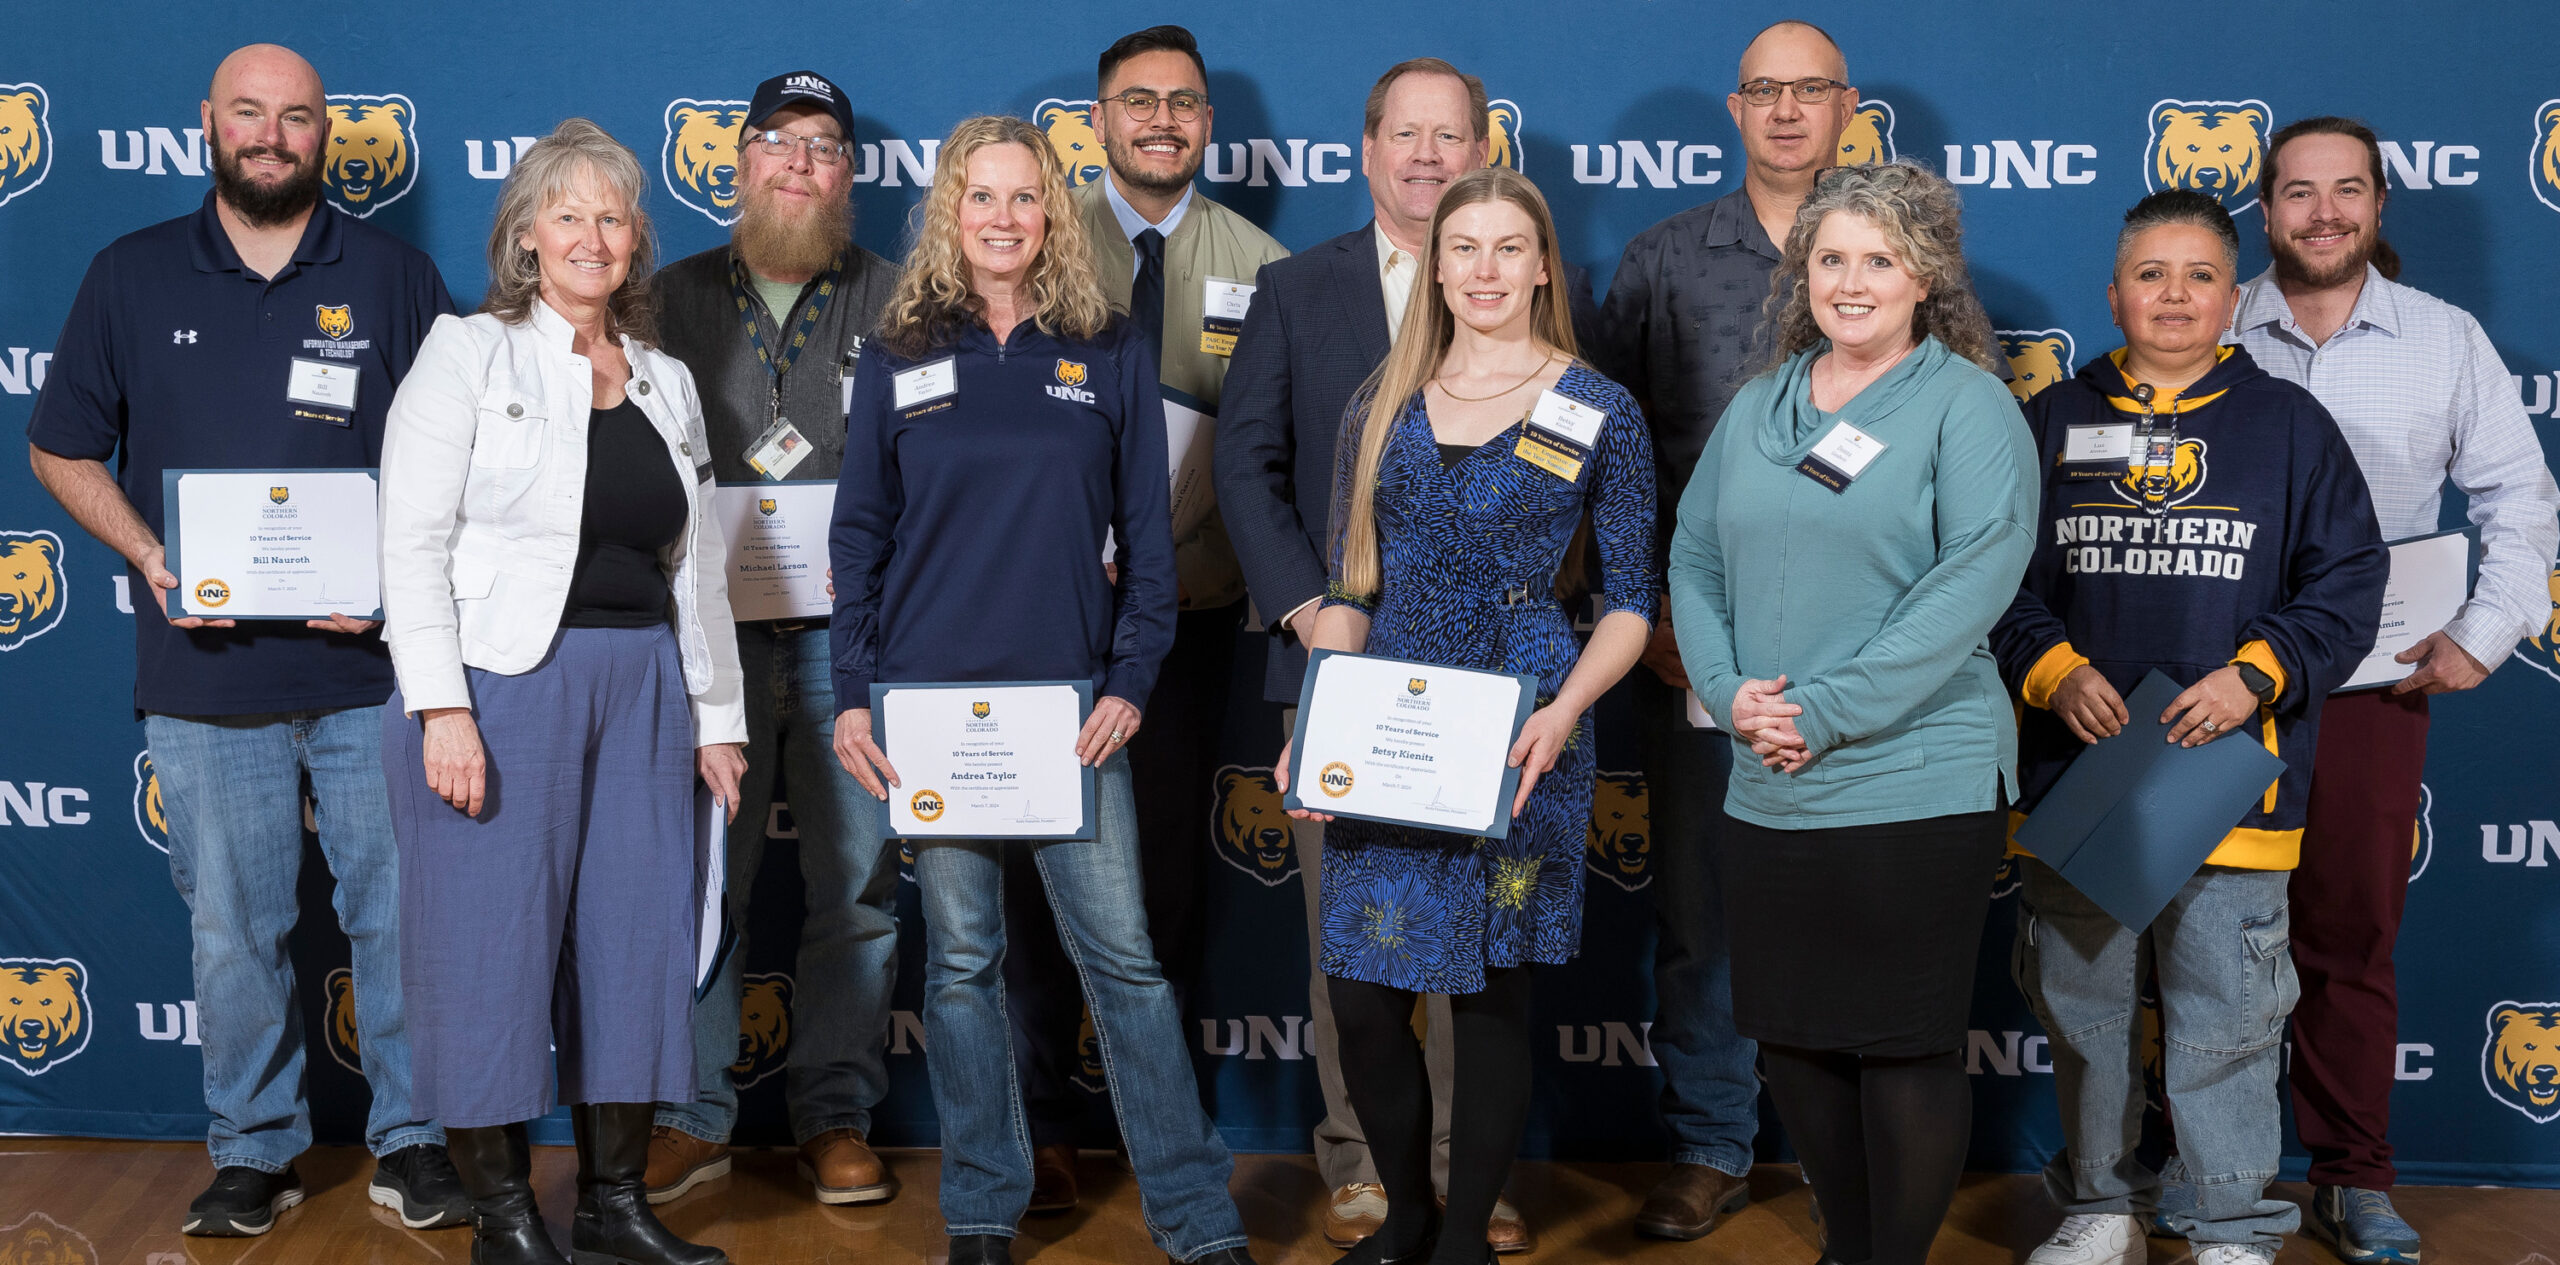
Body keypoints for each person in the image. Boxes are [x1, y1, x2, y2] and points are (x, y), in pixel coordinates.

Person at [24, 43, 467, 1239]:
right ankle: (254, 1147)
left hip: (378, 671)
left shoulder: (393, 275)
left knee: (403, 912)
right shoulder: (130, 274)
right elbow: (62, 446)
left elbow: (466, 459)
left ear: (327, 134)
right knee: (233, 925)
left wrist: (389, 577)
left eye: (298, 118)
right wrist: (151, 554)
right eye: (249, 114)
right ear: (209, 125)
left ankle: (414, 1139)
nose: (272, 135)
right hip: (204, 677)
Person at [826, 114, 1254, 1265]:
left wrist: (1128, 677)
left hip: (1067, 706)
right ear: (947, 214)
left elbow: (1149, 550)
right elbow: (858, 533)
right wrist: (853, 693)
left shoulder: (1106, 345)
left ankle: (1197, 1214)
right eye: (981, 197)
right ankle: (977, 1208)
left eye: (1024, 198)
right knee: (962, 964)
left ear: (1051, 214)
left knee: (1122, 960)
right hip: (929, 707)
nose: (1004, 218)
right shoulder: (899, 349)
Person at [1215, 56, 1595, 1253]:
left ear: (1484, 152)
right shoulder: (1293, 287)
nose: (1427, 155)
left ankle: (1461, 1185)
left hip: (1502, 681)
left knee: (1483, 949)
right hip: (1344, 675)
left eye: (1451, 136)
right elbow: (1246, 467)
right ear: (1367, 149)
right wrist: (1310, 620)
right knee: (1360, 953)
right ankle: (1365, 1167)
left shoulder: (1556, 343)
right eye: (1405, 135)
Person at [1995, 190, 2390, 1265]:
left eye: (2199, 275)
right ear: (2113, 290)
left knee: (2227, 1018)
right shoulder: (2048, 420)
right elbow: (1992, 580)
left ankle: (2226, 1219)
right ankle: (2100, 1204)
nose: (2174, 295)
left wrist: (2254, 676)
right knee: (2084, 1012)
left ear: (2234, 293)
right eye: (2151, 274)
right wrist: (2053, 667)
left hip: (2231, 784)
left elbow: (2347, 580)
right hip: (2086, 785)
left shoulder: (2289, 424)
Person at [376, 119, 745, 1265]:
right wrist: (442, 706)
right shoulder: (466, 351)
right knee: (486, 948)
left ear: (637, 241)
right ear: (526, 236)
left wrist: (718, 717)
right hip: (496, 684)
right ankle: (502, 1216)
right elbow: (410, 539)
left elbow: (697, 569)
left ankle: (614, 1203)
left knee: (634, 942)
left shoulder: (669, 380)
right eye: (568, 214)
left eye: (613, 215)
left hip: (643, 684)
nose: (592, 235)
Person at [1279, 165, 1656, 1265]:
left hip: (1521, 722)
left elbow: (1630, 602)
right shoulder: (1381, 396)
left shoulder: (1598, 408)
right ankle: (1404, 1215)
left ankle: (1462, 1243)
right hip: (1385, 718)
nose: (1483, 270)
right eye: (1463, 248)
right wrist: (1317, 718)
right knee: (1358, 995)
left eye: (1507, 248)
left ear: (1543, 264)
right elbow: (1350, 586)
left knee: (1489, 994)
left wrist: (1564, 710)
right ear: (1432, 264)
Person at [1665, 159, 2037, 1265]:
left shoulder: (1964, 405)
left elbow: (1969, 582)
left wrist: (1821, 709)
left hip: (1914, 775)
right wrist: (1731, 693)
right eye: (1830, 258)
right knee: (1794, 1038)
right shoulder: (1759, 402)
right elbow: (1691, 555)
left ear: (1924, 275)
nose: (1851, 279)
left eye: (1878, 259)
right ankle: (1846, 1248)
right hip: (1769, 773)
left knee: (1901, 1043)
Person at [2221, 116, 2560, 1265]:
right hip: (2214, 688)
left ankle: (2352, 1175)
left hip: (2370, 683)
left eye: (2347, 191)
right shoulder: (2208, 319)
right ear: (2264, 210)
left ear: (2376, 206)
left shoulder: (2443, 338)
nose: (2323, 212)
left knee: (2350, 935)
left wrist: (2486, 627)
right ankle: (2190, 1167)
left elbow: (2519, 499)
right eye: (2299, 193)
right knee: (2191, 932)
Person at [998, 24, 1292, 1213]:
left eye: (1182, 102)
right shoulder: (1034, 240)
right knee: (1029, 876)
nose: (1160, 120)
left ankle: (1148, 1117)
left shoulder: (1262, 263)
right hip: (1040, 622)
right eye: (1136, 101)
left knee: (1164, 875)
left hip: (1187, 623)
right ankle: (1044, 1128)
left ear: (1206, 123)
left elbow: (1266, 446)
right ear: (1099, 120)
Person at [1591, 19, 1860, 1238]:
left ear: (1846, 106)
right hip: (1697, 645)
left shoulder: (1898, 251)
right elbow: (1612, 453)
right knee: (1703, 911)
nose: (1789, 110)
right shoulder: (1660, 259)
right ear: (1737, 108)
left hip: (1867, 651)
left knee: (1850, 901)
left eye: (1810, 90)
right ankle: (1709, 1140)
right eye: (1767, 90)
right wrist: (1644, 617)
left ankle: (1842, 1141)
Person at [644, 69, 905, 1210]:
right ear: (738, 162)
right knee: (710, 879)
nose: (800, 165)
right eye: (778, 144)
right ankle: (694, 1113)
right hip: (713, 644)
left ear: (850, 176)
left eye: (824, 149)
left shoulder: (900, 298)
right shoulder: (666, 297)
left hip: (853, 642)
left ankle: (835, 1112)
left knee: (855, 884)